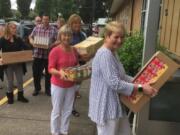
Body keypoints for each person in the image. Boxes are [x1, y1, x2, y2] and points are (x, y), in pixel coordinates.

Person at [88, 21, 158, 135]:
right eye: (116, 37)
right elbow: (114, 83)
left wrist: (142, 82)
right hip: (106, 109)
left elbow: (122, 76)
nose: (119, 40)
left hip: (114, 106)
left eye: (122, 37)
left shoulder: (112, 53)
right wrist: (141, 88)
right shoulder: (105, 54)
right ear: (107, 36)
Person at [48, 25, 79, 135]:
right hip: (58, 85)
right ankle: (55, 132)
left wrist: (79, 70)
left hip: (71, 85)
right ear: (60, 36)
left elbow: (76, 64)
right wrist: (59, 72)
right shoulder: (55, 51)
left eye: (69, 35)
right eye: (64, 35)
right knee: (57, 111)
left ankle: (64, 131)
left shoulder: (73, 50)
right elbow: (50, 68)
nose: (67, 37)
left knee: (68, 110)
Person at [0, 21, 29, 104]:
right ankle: (10, 97)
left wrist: (30, 43)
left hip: (18, 64)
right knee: (10, 82)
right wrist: (1, 58)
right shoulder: (2, 40)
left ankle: (20, 96)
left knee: (20, 80)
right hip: (8, 65)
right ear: (8, 28)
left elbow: (26, 47)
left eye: (15, 28)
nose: (14, 29)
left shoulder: (18, 39)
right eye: (12, 27)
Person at [29, 14, 58, 96]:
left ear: (49, 20)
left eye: (47, 19)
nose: (45, 21)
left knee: (48, 74)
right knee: (36, 73)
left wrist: (51, 45)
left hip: (48, 56)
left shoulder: (54, 30)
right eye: (44, 19)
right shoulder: (36, 28)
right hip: (37, 55)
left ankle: (47, 90)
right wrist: (33, 43)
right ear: (42, 20)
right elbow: (30, 37)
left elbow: (58, 40)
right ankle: (37, 89)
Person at [67, 13, 87, 117]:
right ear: (70, 24)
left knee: (75, 89)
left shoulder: (83, 35)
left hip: (80, 66)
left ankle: (72, 108)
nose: (77, 25)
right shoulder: (67, 35)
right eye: (75, 23)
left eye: (79, 23)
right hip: (68, 66)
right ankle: (64, 108)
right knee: (66, 89)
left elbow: (86, 50)